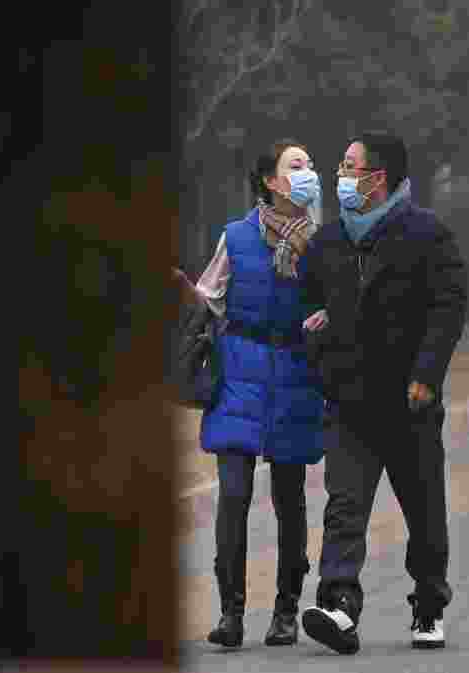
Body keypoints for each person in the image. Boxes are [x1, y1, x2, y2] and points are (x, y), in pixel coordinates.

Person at [297, 131, 467, 654]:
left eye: (350, 168)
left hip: (409, 403)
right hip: (348, 401)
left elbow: (448, 308)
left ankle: (429, 603)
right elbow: (309, 304)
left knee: (424, 512)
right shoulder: (327, 242)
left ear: (378, 179)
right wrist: (320, 342)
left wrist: (426, 376)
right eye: (342, 166)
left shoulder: (427, 234)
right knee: (344, 506)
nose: (340, 176)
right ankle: (339, 605)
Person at [172, 139, 329, 649]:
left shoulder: (323, 242)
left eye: (310, 165)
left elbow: (340, 302)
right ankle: (231, 613)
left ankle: (285, 611)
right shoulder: (236, 237)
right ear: (270, 179)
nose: (307, 172)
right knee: (234, 496)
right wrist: (182, 293)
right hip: (238, 373)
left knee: (289, 499)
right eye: (296, 165)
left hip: (294, 375)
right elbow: (211, 298)